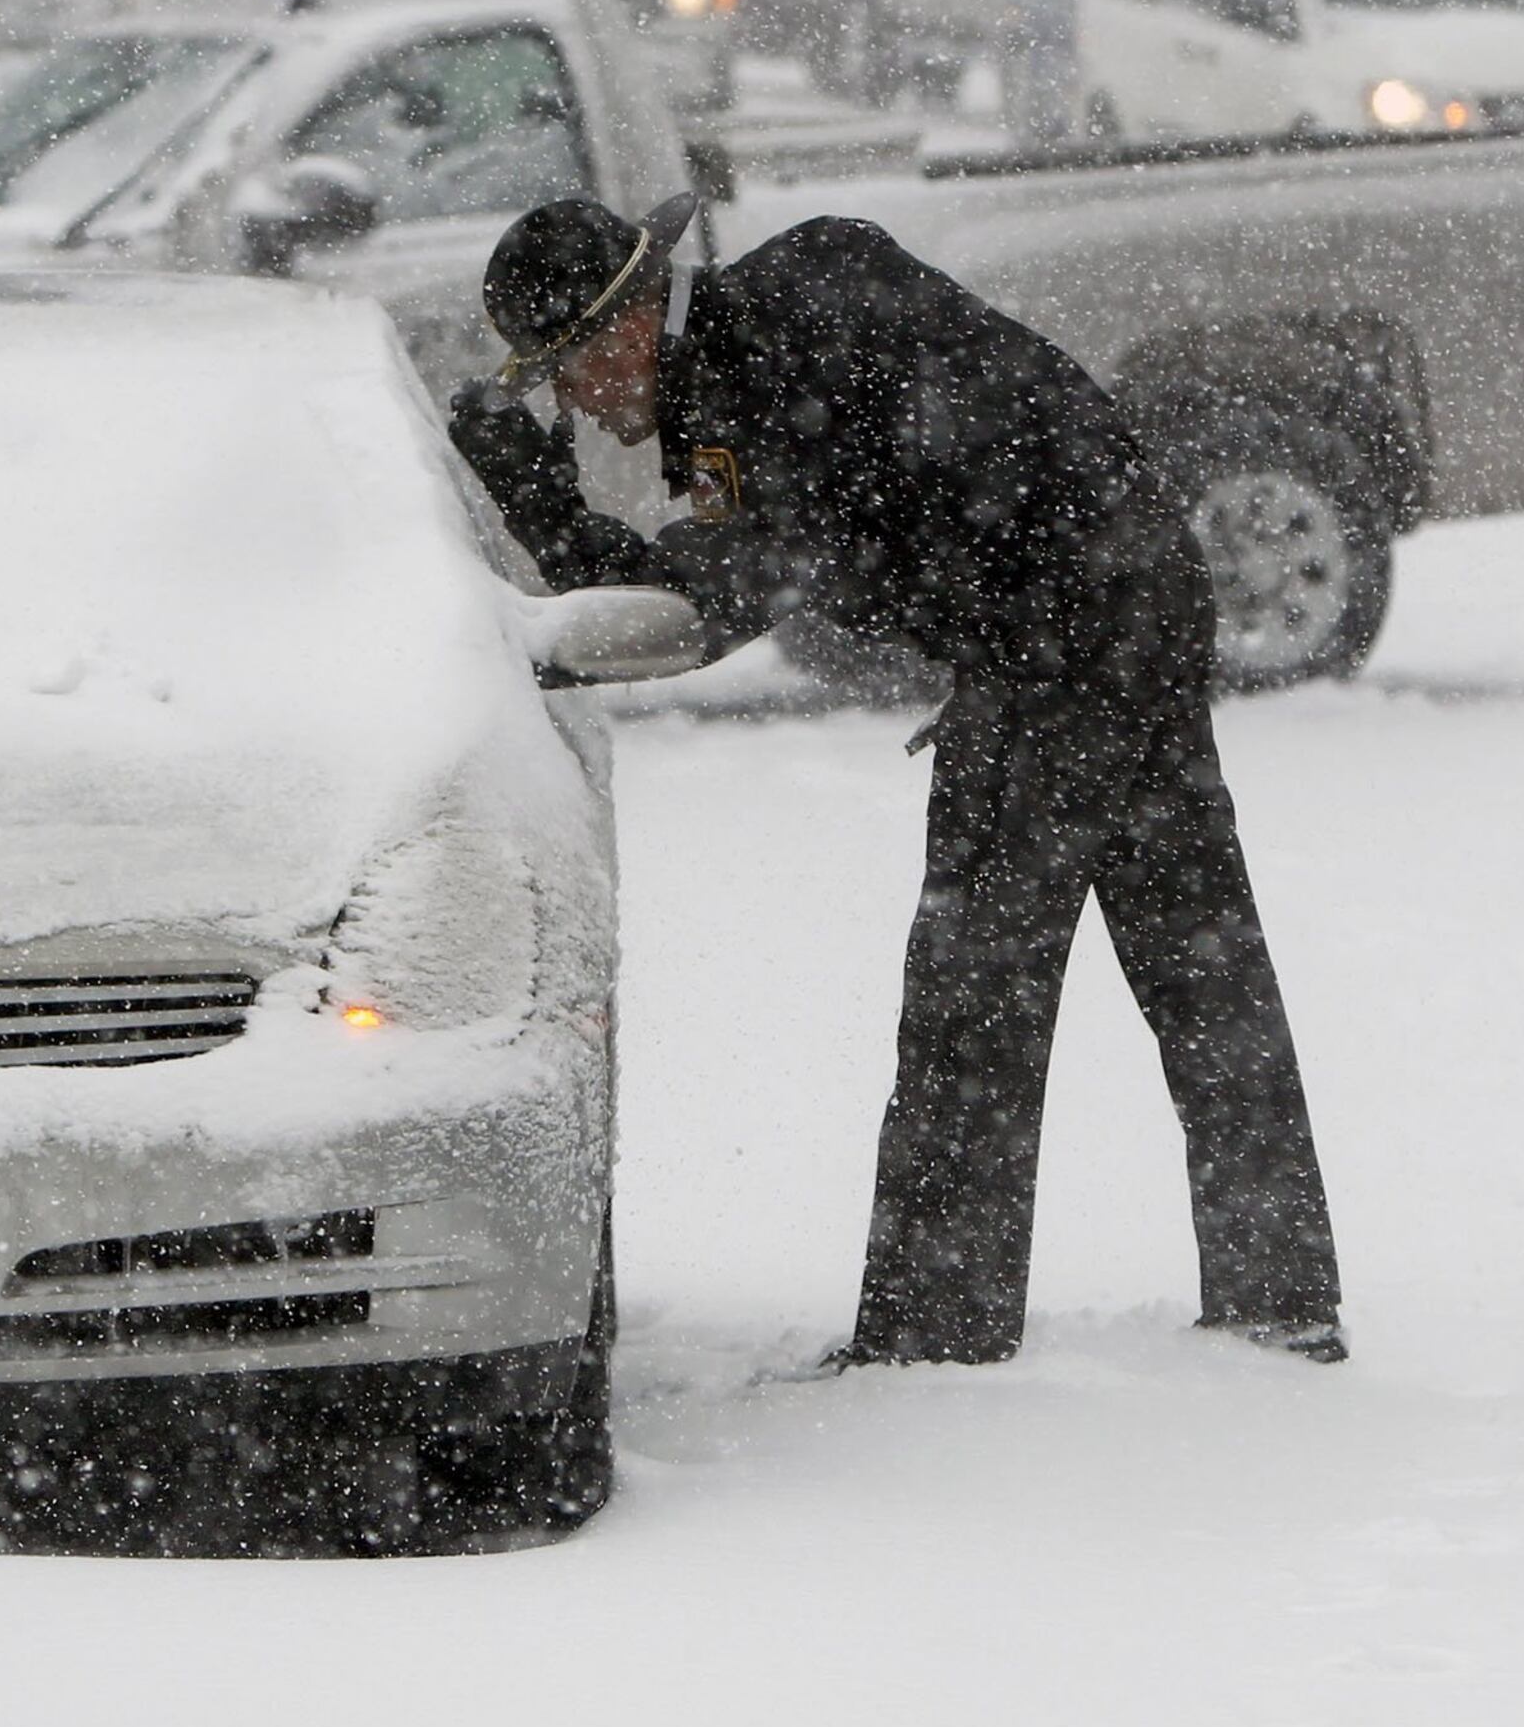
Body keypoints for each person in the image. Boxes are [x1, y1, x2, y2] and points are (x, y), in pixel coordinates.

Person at [449, 194, 1345, 1367]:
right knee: (1193, 952)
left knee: (974, 993)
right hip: (1128, 598)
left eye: (566, 373)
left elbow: (696, 611)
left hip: (1063, 640)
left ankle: (935, 1340)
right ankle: (1282, 1297)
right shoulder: (768, 328)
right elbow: (746, 559)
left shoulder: (767, 369)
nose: (575, 404)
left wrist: (545, 508)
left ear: (620, 328)